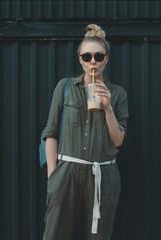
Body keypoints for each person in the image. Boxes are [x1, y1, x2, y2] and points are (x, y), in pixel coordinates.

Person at [42, 24, 129, 240]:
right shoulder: (65, 87)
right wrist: (53, 178)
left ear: (106, 58)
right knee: (55, 235)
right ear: (80, 59)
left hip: (103, 175)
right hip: (67, 172)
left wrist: (107, 107)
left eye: (98, 56)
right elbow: (51, 132)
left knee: (99, 236)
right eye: (87, 56)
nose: (93, 62)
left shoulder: (117, 93)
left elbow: (118, 141)